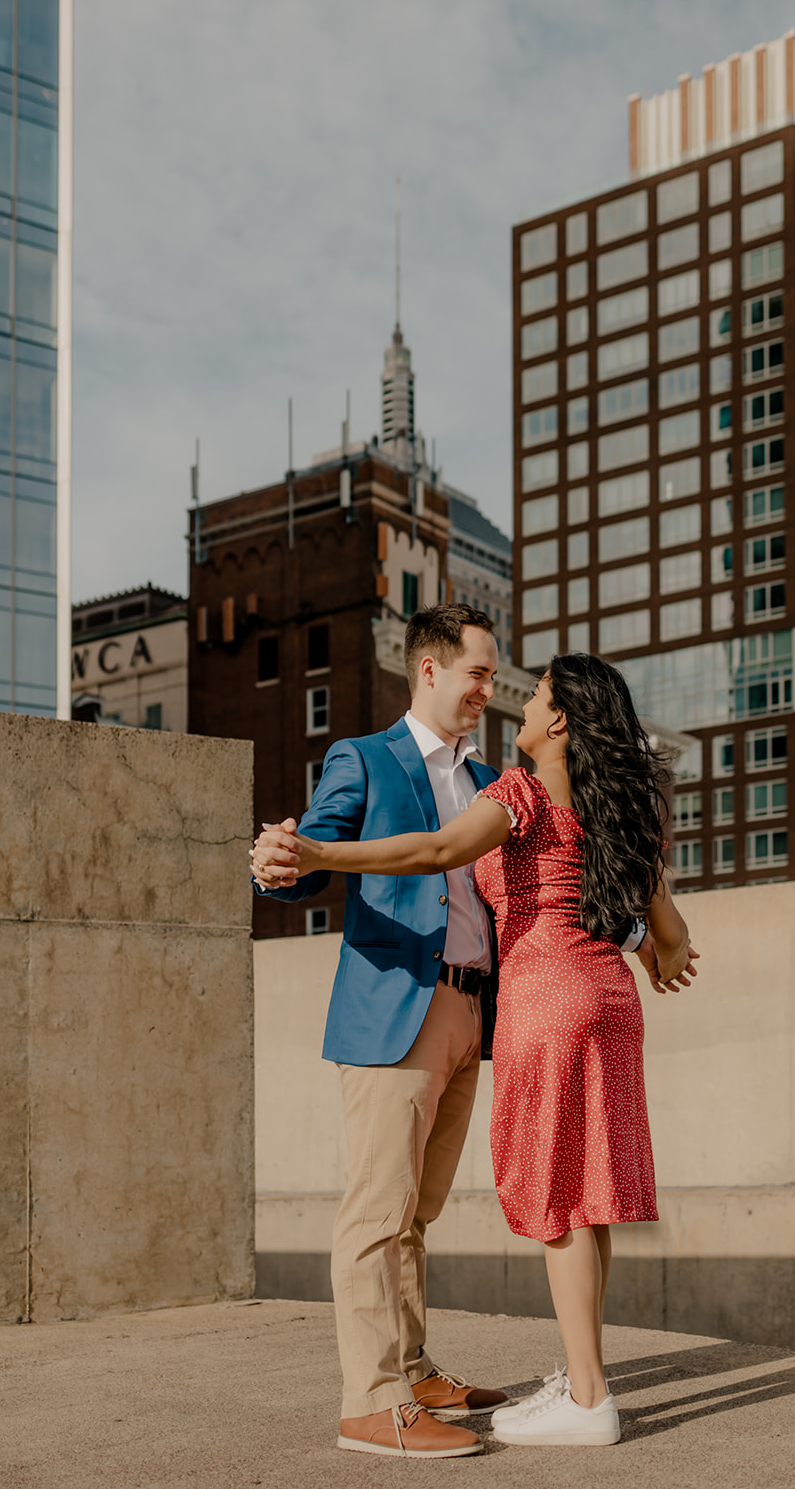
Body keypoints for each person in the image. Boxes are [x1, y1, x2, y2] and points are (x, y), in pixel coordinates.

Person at [254, 652, 697, 1450]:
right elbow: (669, 940)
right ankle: (583, 1375)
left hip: (546, 999)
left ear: (559, 722)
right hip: (609, 1002)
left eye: (534, 697)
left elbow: (432, 852)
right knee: (589, 1196)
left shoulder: (518, 792)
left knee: (556, 1196)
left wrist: (319, 855)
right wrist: (644, 945)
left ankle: (589, 1398)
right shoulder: (621, 812)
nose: (518, 706)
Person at [251, 605, 510, 1459]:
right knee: (377, 1207)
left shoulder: (483, 782)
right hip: (395, 1007)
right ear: (428, 670)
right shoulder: (362, 757)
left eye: (493, 675)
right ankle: (370, 1402)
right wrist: (278, 859)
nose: (489, 688)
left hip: (471, 1008)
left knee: (419, 1211)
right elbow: (307, 863)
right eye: (477, 672)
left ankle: (413, 1366)